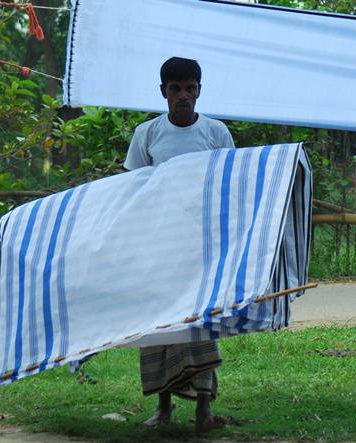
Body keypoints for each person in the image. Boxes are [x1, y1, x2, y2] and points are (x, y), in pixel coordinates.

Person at [123, 56, 234, 433]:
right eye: (175, 89)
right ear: (163, 93)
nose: (183, 96)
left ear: (199, 91)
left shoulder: (217, 133)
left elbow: (228, 186)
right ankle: (164, 408)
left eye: (190, 88)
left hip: (201, 247)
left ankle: (204, 411)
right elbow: (132, 190)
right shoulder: (147, 134)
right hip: (157, 246)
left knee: (201, 325)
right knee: (158, 327)